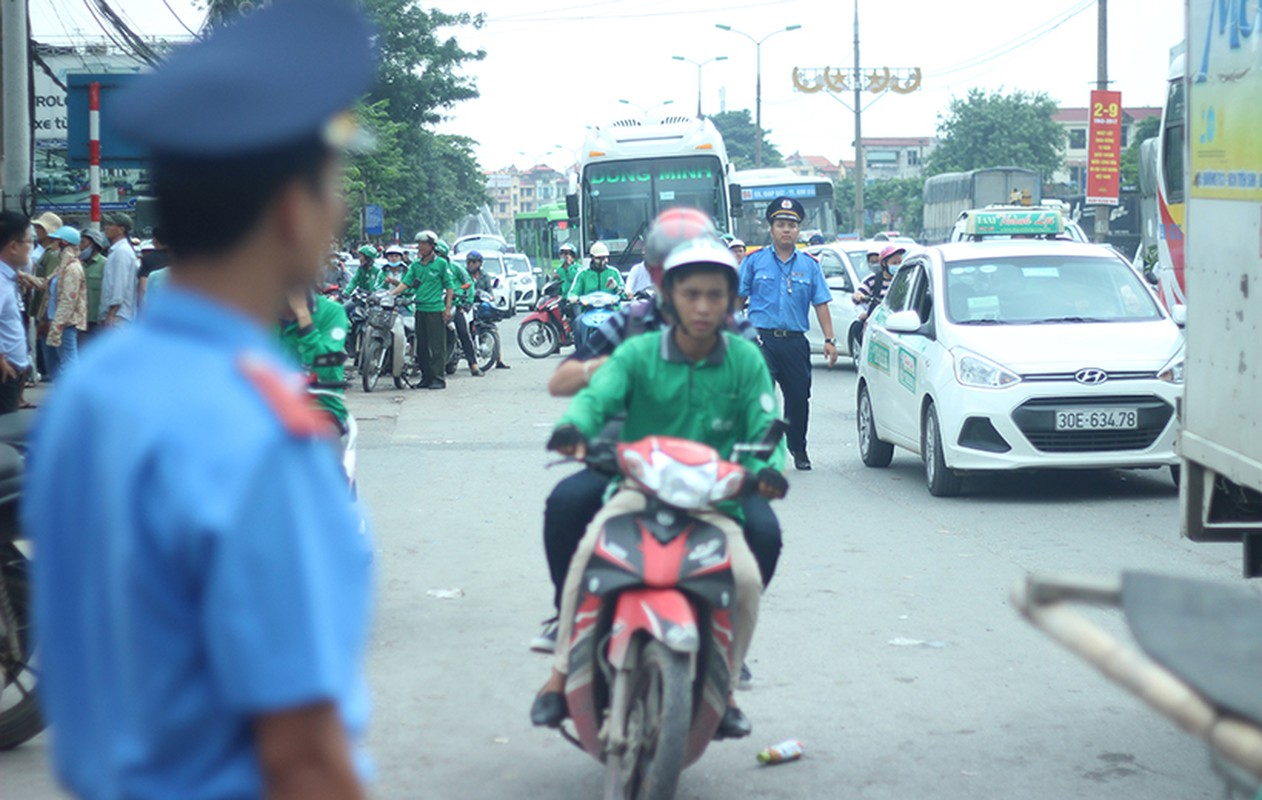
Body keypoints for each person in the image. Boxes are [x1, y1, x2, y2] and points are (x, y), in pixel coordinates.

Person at [24, 3, 376, 798]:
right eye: (334, 185)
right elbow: (303, 755)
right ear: (292, 209)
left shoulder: (90, 387)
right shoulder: (259, 430)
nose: (341, 209)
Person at [530, 235, 788, 740]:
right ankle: (560, 675)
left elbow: (764, 425)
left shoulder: (746, 359)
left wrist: (766, 470)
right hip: (636, 491)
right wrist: (573, 429)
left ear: (733, 300)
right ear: (668, 295)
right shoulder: (637, 352)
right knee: (587, 559)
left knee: (746, 582)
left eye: (716, 295)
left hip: (716, 501)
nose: (703, 305)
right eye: (691, 293)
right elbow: (594, 399)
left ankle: (726, 687)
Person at [737, 197, 838, 472]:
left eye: (792, 225)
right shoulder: (754, 262)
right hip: (761, 340)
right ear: (771, 229)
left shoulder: (809, 265)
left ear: (798, 231)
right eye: (781, 224)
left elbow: (820, 303)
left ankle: (798, 446)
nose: (786, 230)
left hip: (794, 342)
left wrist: (829, 340)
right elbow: (736, 299)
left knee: (798, 399)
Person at [278, 286, 351, 433]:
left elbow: (326, 368)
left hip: (320, 406)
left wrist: (304, 317)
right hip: (269, 407)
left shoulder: (332, 312)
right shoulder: (257, 313)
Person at [20, 226, 87, 379]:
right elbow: (45, 284)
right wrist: (24, 276)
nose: (52, 244)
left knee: (68, 363)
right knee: (54, 365)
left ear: (64, 243)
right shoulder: (62, 266)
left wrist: (57, 327)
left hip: (64, 324)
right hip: (51, 321)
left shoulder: (72, 269)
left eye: (55, 240)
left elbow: (67, 302)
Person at [390, 229, 454, 389]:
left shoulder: (441, 264)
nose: (420, 247)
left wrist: (447, 309)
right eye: (419, 243)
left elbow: (449, 287)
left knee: (437, 347)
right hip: (420, 309)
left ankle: (438, 379)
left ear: (432, 246)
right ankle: (426, 378)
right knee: (422, 347)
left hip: (435, 310)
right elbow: (406, 283)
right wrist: (390, 294)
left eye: (423, 244)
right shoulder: (416, 266)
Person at [0, 213, 33, 413]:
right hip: (4, 376)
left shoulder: (9, 277)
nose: (31, 247)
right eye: (29, 241)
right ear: (13, 246)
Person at [466, 252, 509, 370]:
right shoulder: (464, 275)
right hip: (466, 305)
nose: (471, 264)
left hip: (480, 307)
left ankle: (499, 359)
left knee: (494, 329)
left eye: (474, 262)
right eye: (469, 262)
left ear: (479, 263)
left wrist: (490, 298)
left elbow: (490, 292)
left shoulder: (485, 276)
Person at [444, 244, 482, 377]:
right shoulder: (430, 268)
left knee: (463, 333)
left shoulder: (455, 268)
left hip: (455, 305)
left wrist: (467, 301)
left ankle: (473, 365)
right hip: (435, 306)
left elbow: (468, 284)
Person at [98, 211, 139, 328]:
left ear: (121, 229)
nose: (106, 227)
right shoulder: (116, 250)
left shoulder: (122, 251)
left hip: (119, 316)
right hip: (115, 314)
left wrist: (112, 313)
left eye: (110, 225)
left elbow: (120, 285)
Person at [852, 244, 905, 318]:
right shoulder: (873, 280)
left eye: (900, 263)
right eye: (894, 263)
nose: (897, 266)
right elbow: (858, 295)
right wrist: (859, 296)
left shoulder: (905, 280)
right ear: (884, 264)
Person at [78, 228, 108, 341]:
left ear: (93, 245)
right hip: (79, 321)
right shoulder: (77, 264)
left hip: (96, 321)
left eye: (83, 242)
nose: (80, 246)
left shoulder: (105, 264)